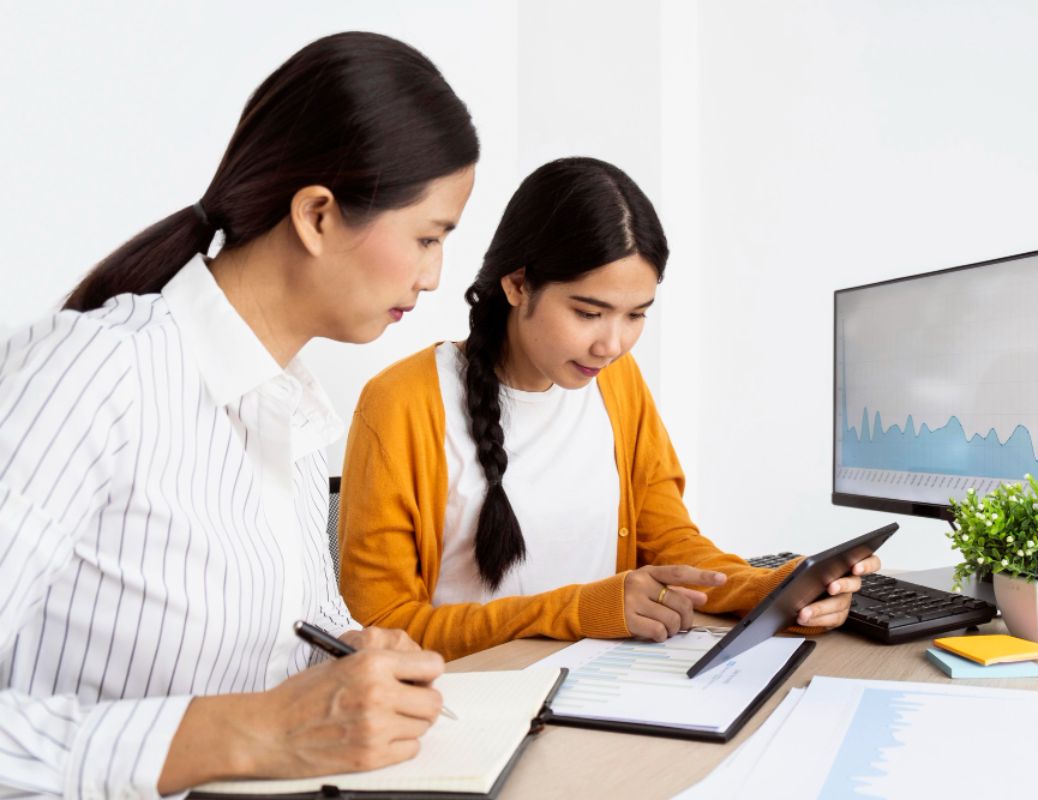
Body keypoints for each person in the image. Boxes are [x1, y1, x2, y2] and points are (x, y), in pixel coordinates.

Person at [0, 32, 477, 797]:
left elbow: (282, 642)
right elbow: (258, 724)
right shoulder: (90, 374)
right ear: (317, 216)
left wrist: (350, 656)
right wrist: (254, 731)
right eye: (427, 237)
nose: (433, 276)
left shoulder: (290, 409)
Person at [337, 157, 881, 662]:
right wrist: (578, 610)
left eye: (636, 315)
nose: (612, 345)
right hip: (471, 703)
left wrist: (781, 589)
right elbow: (380, 626)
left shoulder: (616, 383)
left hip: (603, 687)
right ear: (519, 284)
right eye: (589, 312)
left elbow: (670, 544)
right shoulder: (401, 403)